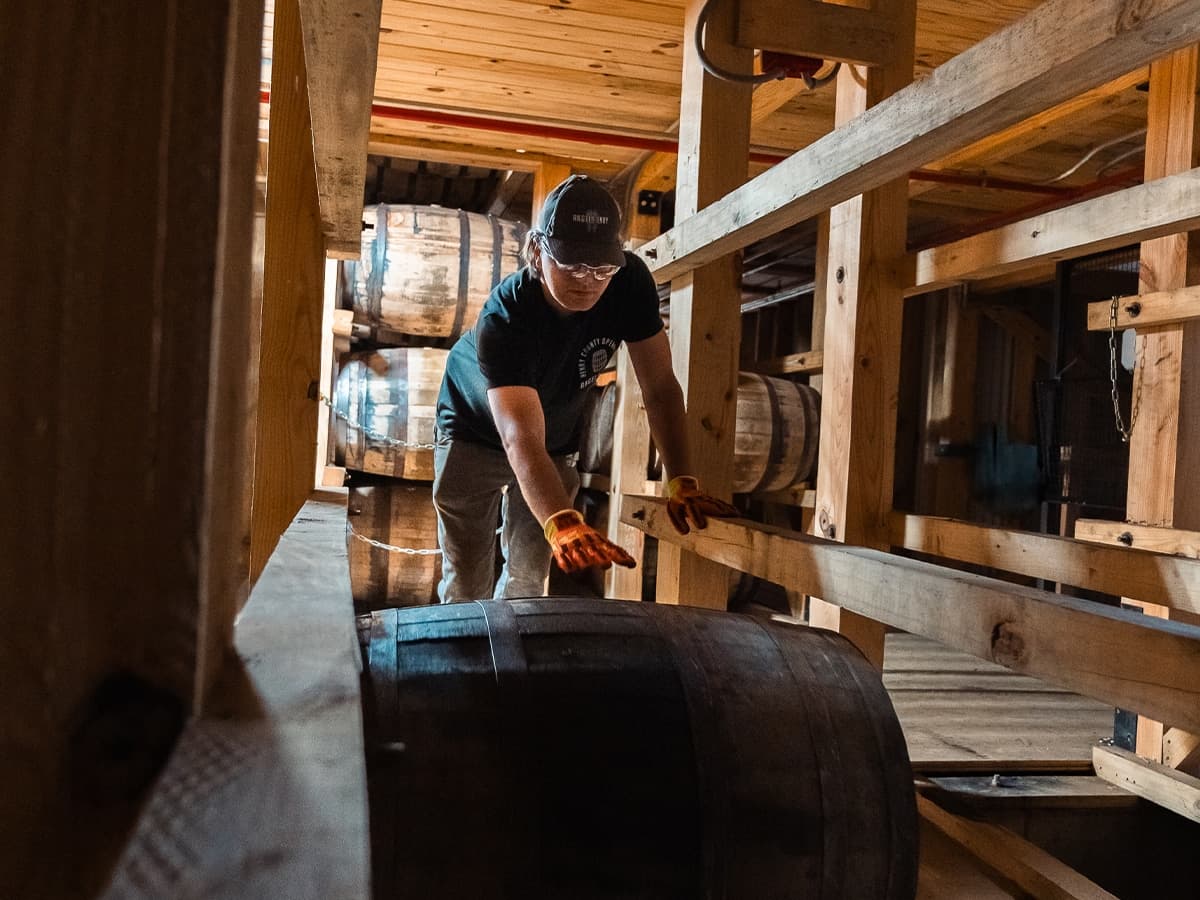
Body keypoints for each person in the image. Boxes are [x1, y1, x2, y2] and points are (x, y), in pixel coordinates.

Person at [432, 174, 738, 603]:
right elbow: (518, 436)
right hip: (473, 432)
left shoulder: (629, 283)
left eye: (602, 268)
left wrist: (682, 478)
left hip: (553, 437)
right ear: (537, 252)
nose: (588, 280)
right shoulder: (505, 318)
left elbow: (660, 387)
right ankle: (465, 644)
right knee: (467, 578)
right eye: (572, 265)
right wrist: (560, 517)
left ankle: (513, 642)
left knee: (529, 576)